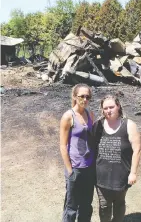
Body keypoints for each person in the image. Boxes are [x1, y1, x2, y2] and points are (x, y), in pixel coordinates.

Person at [93, 95, 141, 222]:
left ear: (118, 106)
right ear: (102, 110)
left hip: (121, 175)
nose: (109, 110)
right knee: (104, 206)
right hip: (101, 176)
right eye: (105, 108)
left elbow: (137, 150)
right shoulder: (97, 125)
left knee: (119, 204)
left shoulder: (129, 125)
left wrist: (133, 173)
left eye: (111, 107)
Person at [60, 83, 95, 222]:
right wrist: (69, 170)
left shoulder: (90, 114)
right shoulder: (68, 116)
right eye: (82, 96)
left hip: (89, 167)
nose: (85, 99)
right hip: (75, 167)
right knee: (71, 206)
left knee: (86, 205)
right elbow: (63, 145)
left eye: (88, 97)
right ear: (75, 97)